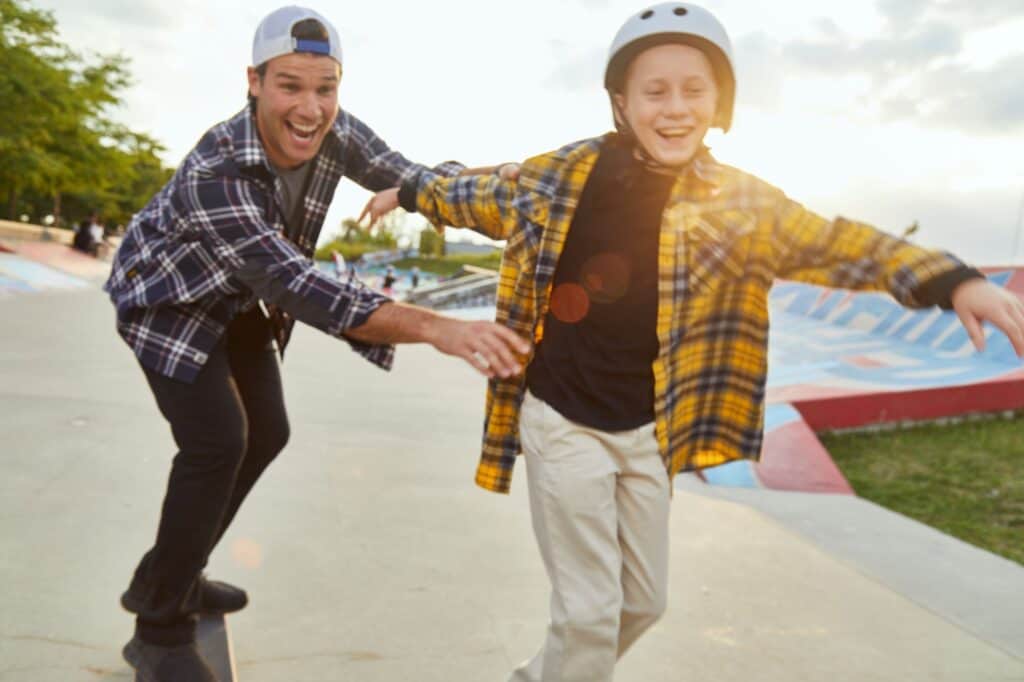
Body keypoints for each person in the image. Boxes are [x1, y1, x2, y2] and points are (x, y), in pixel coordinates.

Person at [363, 3, 1024, 680]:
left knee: (643, 603)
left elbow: (838, 244)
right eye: (655, 91)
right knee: (589, 611)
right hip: (561, 419)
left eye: (693, 89)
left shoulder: (742, 205)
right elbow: (471, 195)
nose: (675, 108)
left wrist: (950, 280)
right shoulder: (561, 175)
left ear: (719, 102)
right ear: (622, 102)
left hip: (651, 430)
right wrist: (411, 191)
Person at [103, 7, 529, 681]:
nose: (310, 109)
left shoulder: (336, 129)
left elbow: (406, 171)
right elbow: (301, 286)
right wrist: (438, 327)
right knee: (217, 441)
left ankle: (174, 574)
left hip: (238, 297)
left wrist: (499, 179)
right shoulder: (219, 167)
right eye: (291, 87)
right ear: (254, 82)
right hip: (168, 301)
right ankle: (157, 629)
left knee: (267, 431)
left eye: (325, 88)